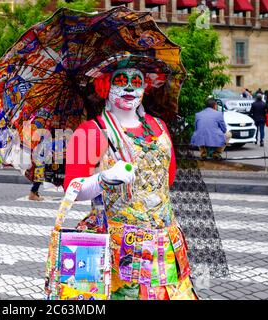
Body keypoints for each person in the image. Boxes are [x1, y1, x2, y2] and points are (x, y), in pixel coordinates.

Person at [61, 56, 197, 300]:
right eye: (121, 80)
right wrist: (103, 178)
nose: (129, 87)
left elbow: (168, 178)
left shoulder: (159, 126)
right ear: (104, 86)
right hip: (116, 251)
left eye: (137, 81)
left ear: (145, 87)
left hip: (164, 243)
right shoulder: (89, 132)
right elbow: (72, 189)